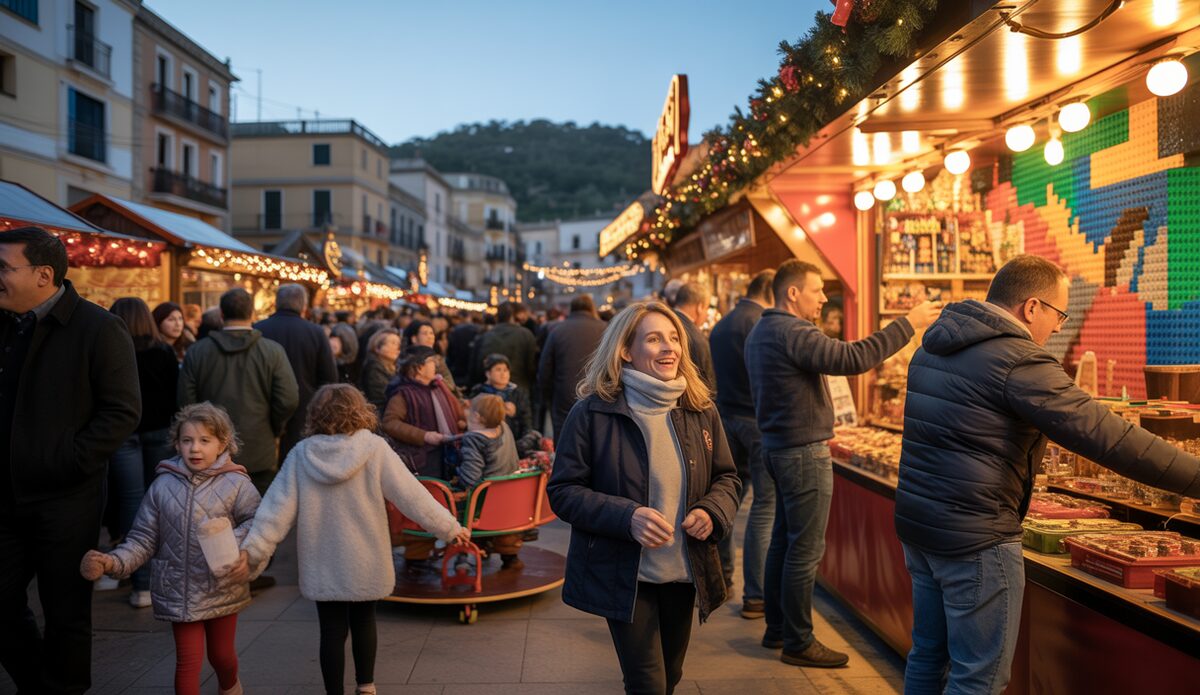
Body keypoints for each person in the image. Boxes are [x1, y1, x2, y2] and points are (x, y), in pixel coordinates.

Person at [895, 255, 1200, 694]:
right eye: (1059, 314)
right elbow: (1107, 436)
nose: (1059, 327)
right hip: (976, 540)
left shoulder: (933, 346)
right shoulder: (1018, 359)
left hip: (921, 528)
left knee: (927, 655)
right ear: (1031, 307)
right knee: (977, 678)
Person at [744, 259, 939, 668]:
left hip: (778, 448)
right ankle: (799, 641)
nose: (823, 299)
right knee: (806, 550)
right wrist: (908, 323)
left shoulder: (762, 329)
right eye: (816, 290)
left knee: (784, 540)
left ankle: (777, 629)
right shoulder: (791, 330)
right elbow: (853, 358)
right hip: (802, 452)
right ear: (793, 292)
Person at [547, 301, 741, 695]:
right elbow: (564, 491)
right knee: (647, 683)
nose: (669, 348)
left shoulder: (700, 410)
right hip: (625, 573)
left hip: (684, 572)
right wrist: (628, 516)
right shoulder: (591, 413)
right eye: (654, 339)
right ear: (625, 350)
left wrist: (712, 509)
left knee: (671, 675)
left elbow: (728, 478)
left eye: (674, 339)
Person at [228, 385, 470, 695]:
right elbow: (412, 496)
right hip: (366, 556)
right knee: (364, 621)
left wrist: (253, 551)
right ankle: (366, 686)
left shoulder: (302, 455)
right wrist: (450, 528)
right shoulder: (375, 449)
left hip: (322, 559)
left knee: (331, 630)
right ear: (360, 411)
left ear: (316, 415)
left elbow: (274, 511)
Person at [0, 226, 140, 693]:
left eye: (4, 267)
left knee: (66, 613)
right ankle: (39, 682)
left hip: (66, 497)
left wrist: (70, 461)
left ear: (43, 274)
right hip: (4, 494)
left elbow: (122, 411)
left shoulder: (98, 328)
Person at [80, 403, 259, 695]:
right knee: (188, 662)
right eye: (187, 440)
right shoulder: (162, 485)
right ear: (176, 443)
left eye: (204, 440)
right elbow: (142, 537)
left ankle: (230, 687)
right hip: (178, 590)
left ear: (222, 443)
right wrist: (113, 562)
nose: (195, 449)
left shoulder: (237, 483)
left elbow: (257, 522)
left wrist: (231, 542)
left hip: (221, 585)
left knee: (221, 656)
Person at [179, 288, 299, 496]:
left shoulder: (198, 351)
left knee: (211, 519)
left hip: (208, 451)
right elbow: (288, 399)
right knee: (258, 519)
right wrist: (275, 427)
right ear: (252, 314)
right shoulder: (272, 351)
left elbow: (185, 402)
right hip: (259, 449)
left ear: (222, 315)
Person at [707, 270, 775, 618]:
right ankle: (756, 595)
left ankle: (723, 579)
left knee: (728, 500)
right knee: (765, 507)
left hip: (727, 418)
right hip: (759, 422)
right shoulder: (762, 323)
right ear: (769, 291)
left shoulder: (721, 325)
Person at [108, 297, 181, 608]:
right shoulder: (163, 352)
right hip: (159, 432)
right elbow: (175, 396)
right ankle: (158, 580)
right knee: (160, 502)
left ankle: (137, 582)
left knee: (130, 504)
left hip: (123, 434)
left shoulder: (111, 350)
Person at [254, 284, 338, 461]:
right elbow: (329, 377)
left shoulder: (258, 329)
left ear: (276, 303)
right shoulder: (315, 332)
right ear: (304, 306)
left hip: (263, 409)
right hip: (305, 411)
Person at [456, 393, 524, 570]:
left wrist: (457, 472)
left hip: (485, 505)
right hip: (510, 501)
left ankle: (463, 555)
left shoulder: (474, 440)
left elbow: (470, 479)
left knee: (457, 503)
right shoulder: (503, 427)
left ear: (477, 417)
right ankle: (510, 557)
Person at [381, 345, 466, 478]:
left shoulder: (439, 385)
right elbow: (389, 423)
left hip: (448, 453)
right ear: (419, 368)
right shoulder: (403, 394)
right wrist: (424, 435)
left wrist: (463, 421)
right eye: (432, 362)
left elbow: (457, 410)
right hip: (425, 459)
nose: (435, 366)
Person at [538, 294, 607, 439]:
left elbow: (545, 368)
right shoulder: (605, 329)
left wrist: (548, 397)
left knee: (565, 438)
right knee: (596, 438)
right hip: (597, 393)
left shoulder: (557, 330)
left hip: (565, 393)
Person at [469, 302, 537, 392]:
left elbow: (474, 368)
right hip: (518, 389)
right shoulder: (526, 335)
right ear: (514, 316)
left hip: (489, 389)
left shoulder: (485, 336)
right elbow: (531, 367)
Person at [672, 282, 717, 406]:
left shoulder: (666, 320)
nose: (707, 313)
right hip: (690, 405)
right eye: (707, 308)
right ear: (700, 307)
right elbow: (706, 382)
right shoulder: (697, 338)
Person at [470, 353, 533, 439]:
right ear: (488, 373)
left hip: (514, 441)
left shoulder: (518, 393)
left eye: (506, 370)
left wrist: (515, 414)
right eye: (498, 370)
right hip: (486, 441)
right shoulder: (479, 393)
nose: (503, 374)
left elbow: (527, 424)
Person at [403, 319, 460, 394]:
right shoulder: (405, 360)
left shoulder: (438, 359)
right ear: (414, 339)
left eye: (431, 333)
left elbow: (451, 385)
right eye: (425, 334)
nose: (430, 337)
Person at [360, 328, 401, 414]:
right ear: (377, 348)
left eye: (398, 343)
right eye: (393, 343)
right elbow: (382, 398)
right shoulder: (373, 368)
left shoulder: (396, 367)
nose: (397, 347)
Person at [447, 316, 484, 385]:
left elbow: (450, 353)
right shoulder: (480, 333)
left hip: (456, 372)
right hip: (472, 377)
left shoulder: (456, 330)